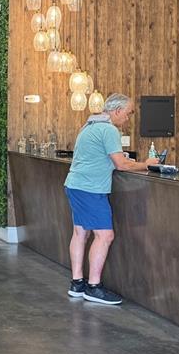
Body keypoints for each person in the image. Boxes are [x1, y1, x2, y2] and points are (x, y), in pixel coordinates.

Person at [64, 94, 158, 305]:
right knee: (105, 235)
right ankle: (93, 287)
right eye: (128, 113)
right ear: (117, 111)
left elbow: (104, 157)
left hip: (75, 184)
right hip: (90, 189)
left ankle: (77, 284)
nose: (128, 118)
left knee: (80, 233)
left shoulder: (89, 126)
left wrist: (124, 159)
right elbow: (121, 165)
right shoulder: (109, 130)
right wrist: (147, 164)